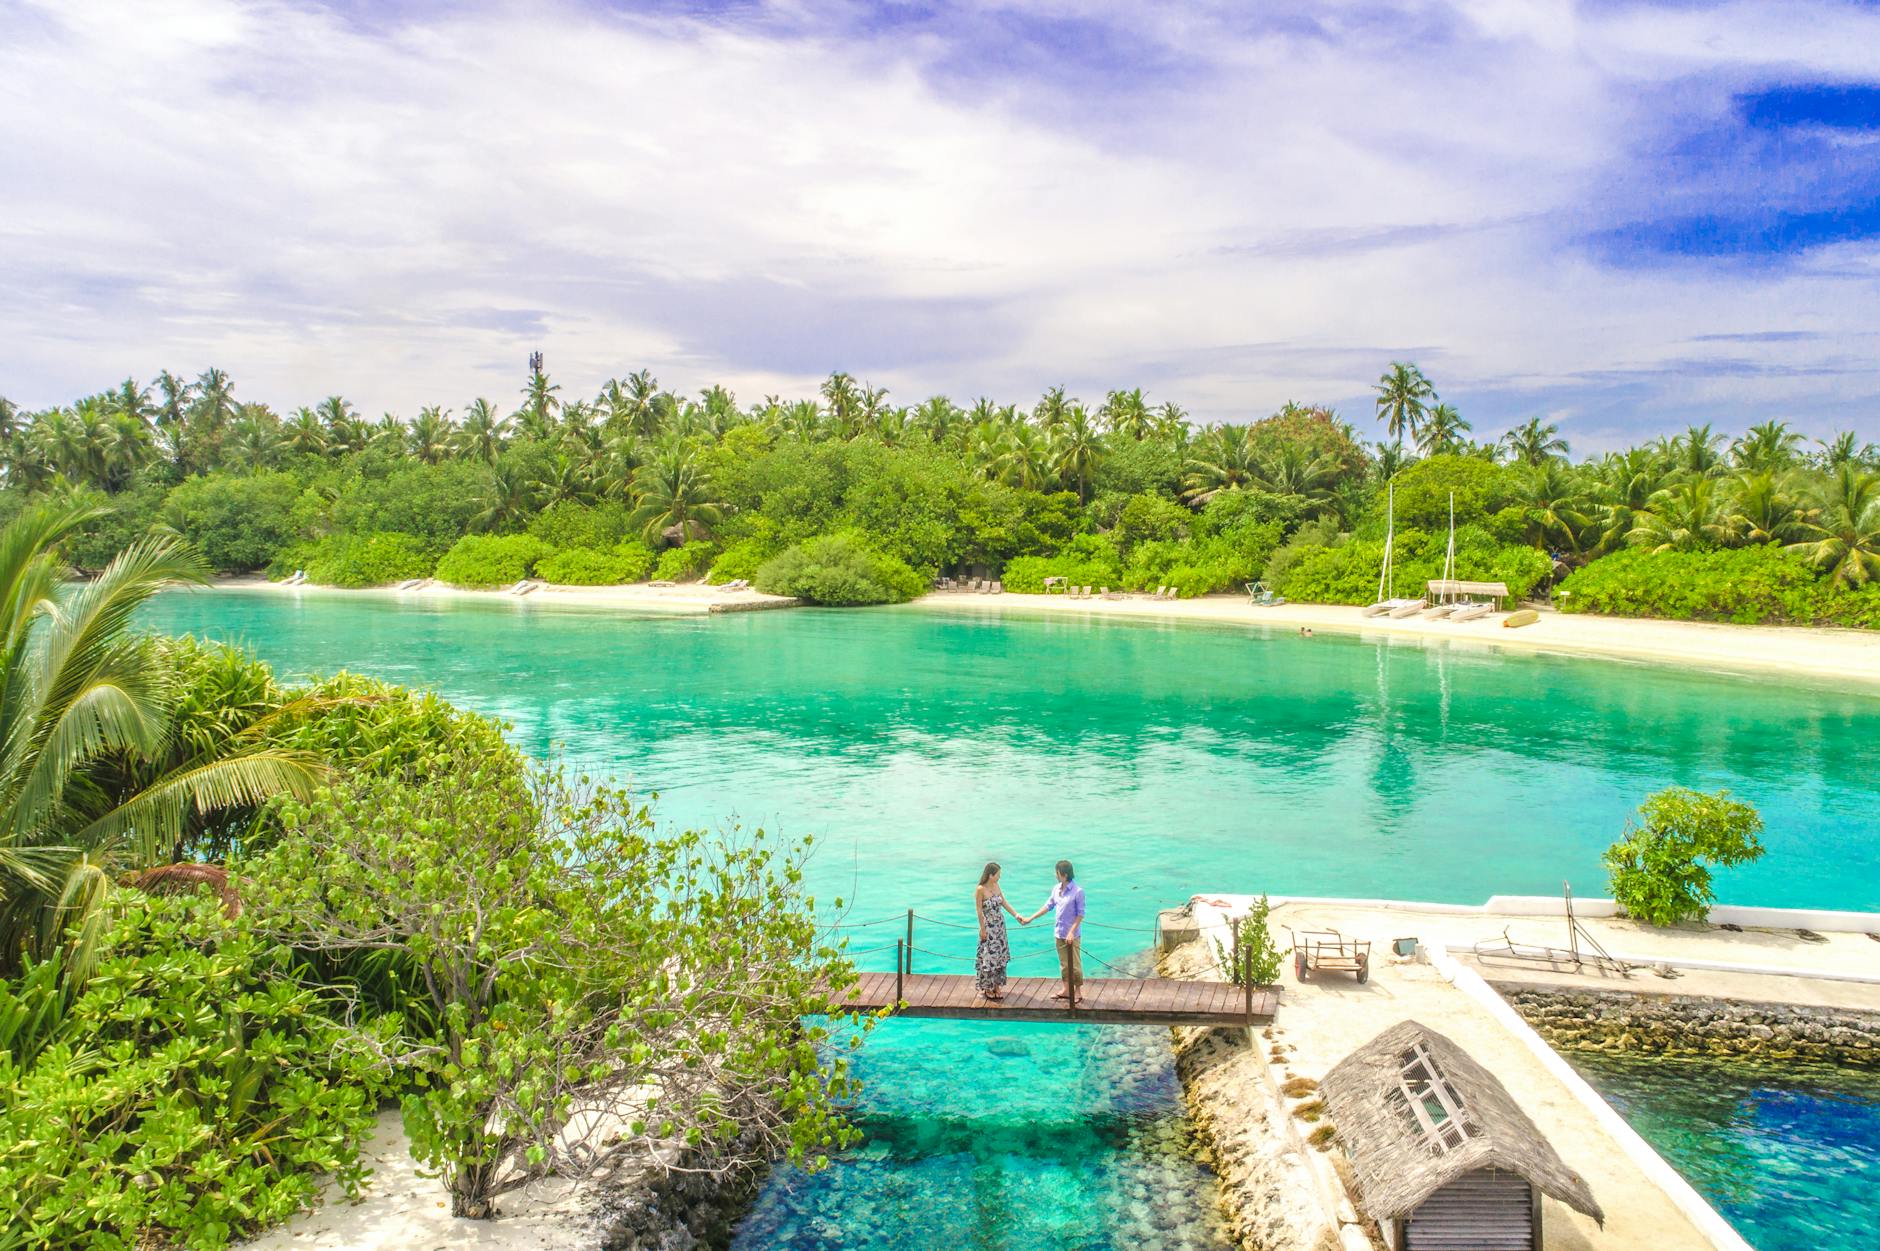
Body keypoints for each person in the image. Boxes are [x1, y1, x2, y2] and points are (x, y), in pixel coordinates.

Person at [1023, 859, 1085, 1000]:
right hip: (1059, 932)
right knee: (1064, 963)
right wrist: (1031, 918)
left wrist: (1071, 932)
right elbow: (1048, 906)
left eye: (1057, 873)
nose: (1055, 875)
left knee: (1075, 964)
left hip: (1072, 935)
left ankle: (1078, 991)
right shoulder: (1056, 889)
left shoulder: (1078, 892)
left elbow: (1080, 914)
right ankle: (1066, 989)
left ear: (1064, 874)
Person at [974, 862, 1024, 1000]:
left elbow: (1004, 902)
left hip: (1000, 926)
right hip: (988, 926)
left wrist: (1016, 915)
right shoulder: (980, 889)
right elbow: (979, 911)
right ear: (991, 875)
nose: (999, 877)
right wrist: (982, 929)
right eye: (998, 875)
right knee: (989, 957)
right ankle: (987, 987)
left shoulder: (996, 886)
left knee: (999, 957)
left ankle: (997, 985)